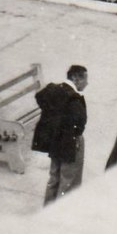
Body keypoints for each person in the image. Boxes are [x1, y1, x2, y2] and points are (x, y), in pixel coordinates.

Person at [32, 65, 89, 205]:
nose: (87, 83)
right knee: (69, 181)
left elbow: (39, 97)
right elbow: (80, 123)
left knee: (54, 177)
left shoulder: (53, 89)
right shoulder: (75, 98)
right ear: (75, 78)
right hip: (70, 142)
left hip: (55, 141)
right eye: (85, 79)